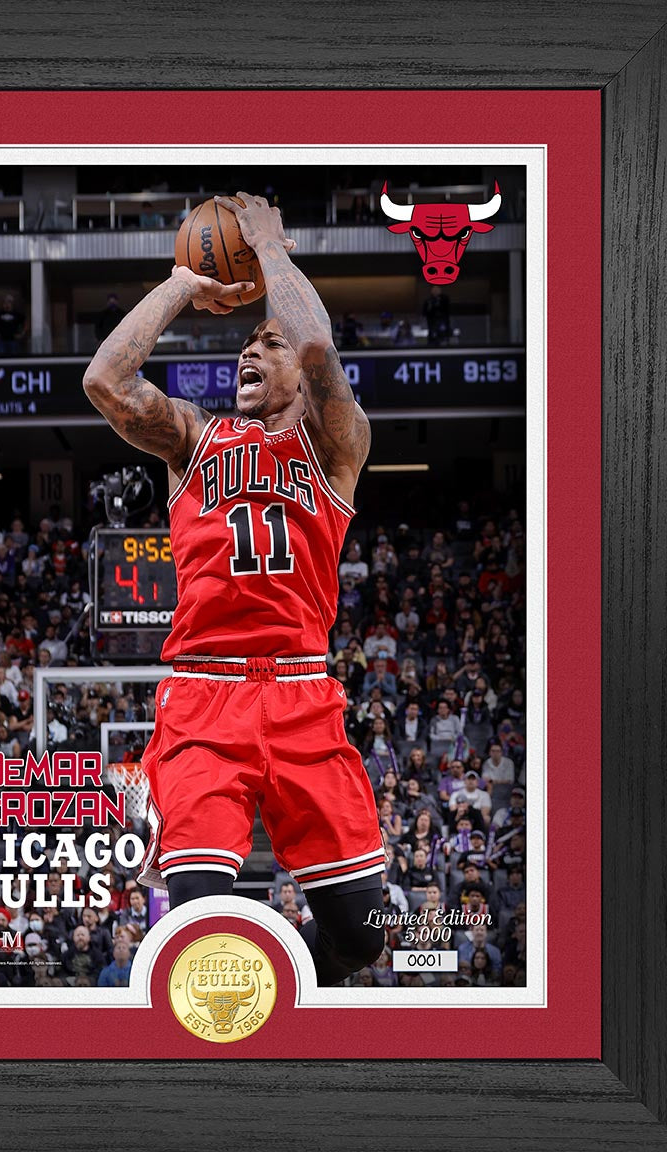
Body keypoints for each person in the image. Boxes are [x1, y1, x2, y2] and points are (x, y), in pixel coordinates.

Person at [82, 191, 385, 986]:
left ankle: (282, 983)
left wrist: (268, 247)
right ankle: (235, 1021)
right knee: (200, 931)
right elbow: (105, 380)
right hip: (204, 698)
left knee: (363, 937)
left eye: (267, 343)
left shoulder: (337, 444)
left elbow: (314, 344)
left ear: (300, 379)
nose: (251, 350)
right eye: (247, 343)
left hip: (302, 695)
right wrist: (184, 281)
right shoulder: (193, 436)